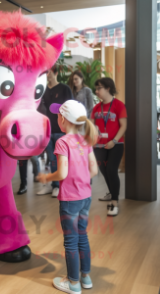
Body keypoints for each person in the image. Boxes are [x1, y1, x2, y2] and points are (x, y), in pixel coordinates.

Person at [37, 100, 98, 293]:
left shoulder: (62, 142)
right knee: (82, 236)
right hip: (86, 197)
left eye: (57, 115)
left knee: (70, 241)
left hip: (70, 199)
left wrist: (47, 177)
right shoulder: (86, 140)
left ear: (62, 119)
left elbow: (62, 174)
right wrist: (81, 178)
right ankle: (86, 278)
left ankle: (72, 283)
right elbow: (94, 170)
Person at [91, 77, 127, 217]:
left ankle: (114, 202)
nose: (97, 91)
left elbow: (123, 125)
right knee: (104, 171)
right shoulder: (96, 108)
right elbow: (92, 126)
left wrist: (114, 140)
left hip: (116, 144)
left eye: (99, 88)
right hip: (99, 145)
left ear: (108, 88)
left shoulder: (119, 105)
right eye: (96, 88)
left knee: (111, 170)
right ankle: (111, 192)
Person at [36, 64, 73, 197]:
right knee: (51, 159)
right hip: (46, 130)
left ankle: (61, 186)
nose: (47, 74)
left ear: (56, 73)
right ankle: (54, 186)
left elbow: (71, 108)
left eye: (49, 71)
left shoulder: (64, 89)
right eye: (45, 72)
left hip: (61, 130)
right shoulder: (42, 89)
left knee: (62, 160)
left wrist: (69, 129)